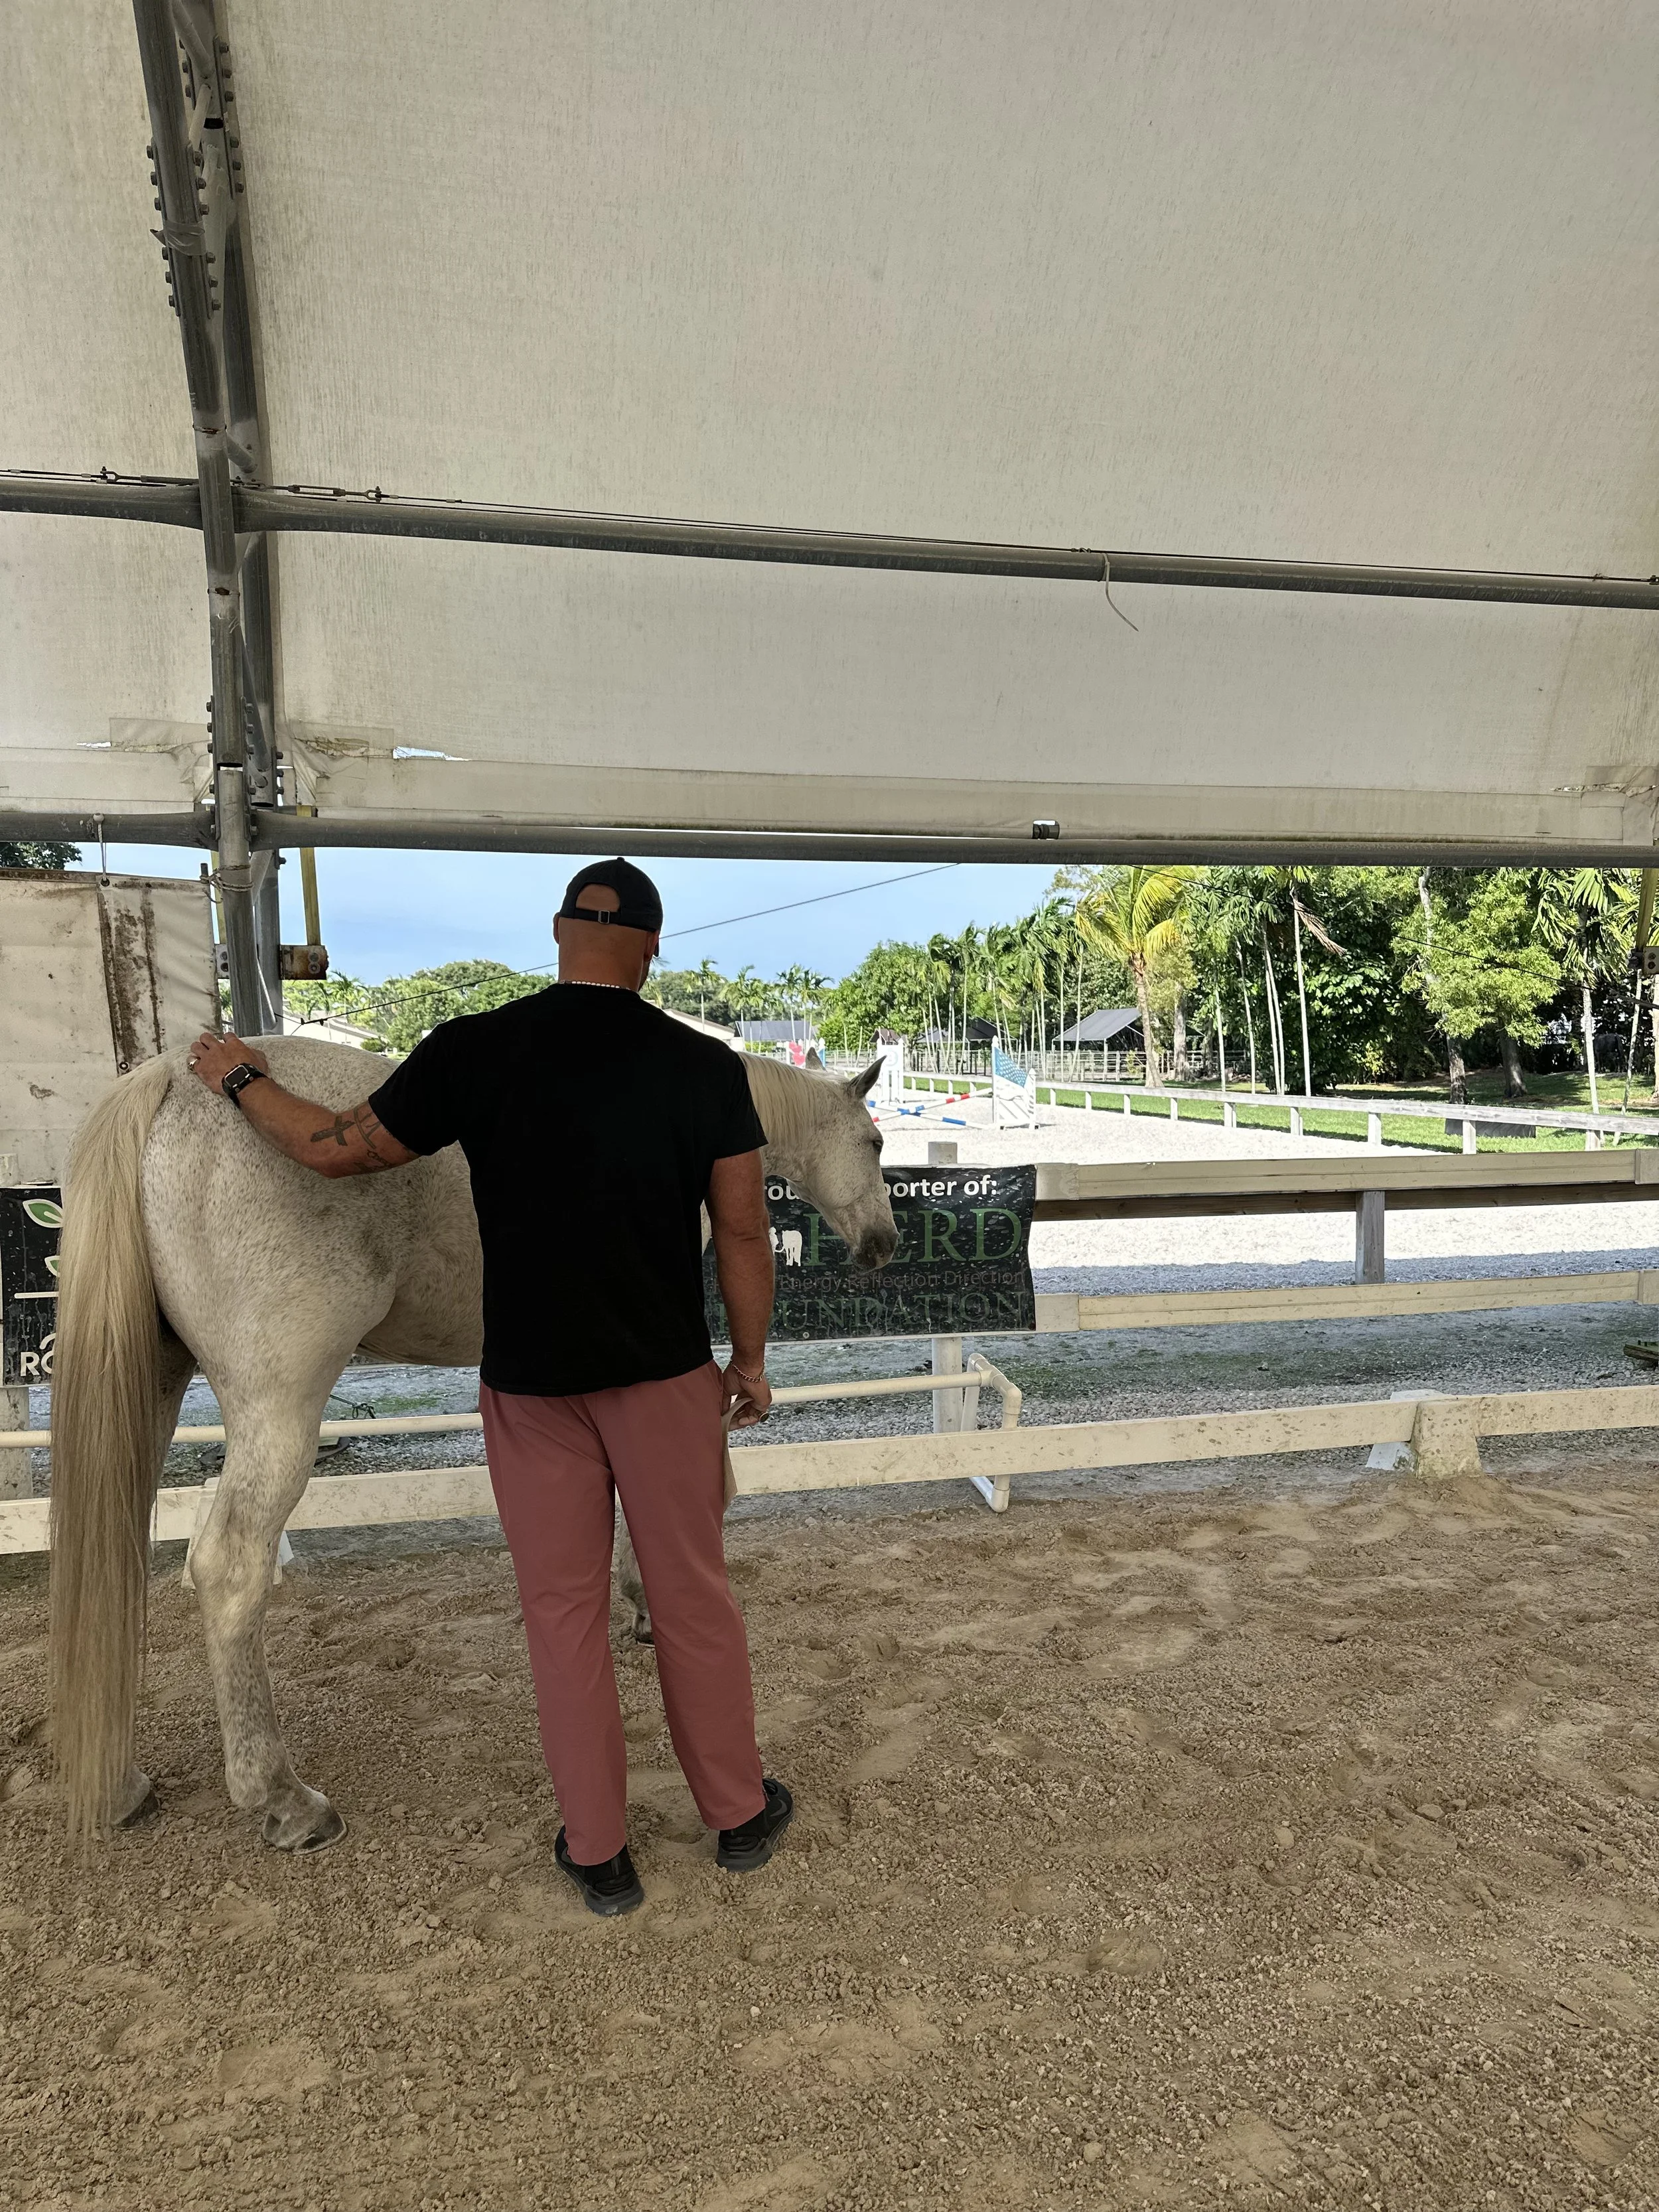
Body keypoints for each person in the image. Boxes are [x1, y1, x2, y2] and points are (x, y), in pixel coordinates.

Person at [186, 857, 790, 1915]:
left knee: (561, 1615)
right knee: (695, 1601)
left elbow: (331, 1153)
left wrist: (238, 1076)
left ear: (561, 932)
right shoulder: (706, 1069)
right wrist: (747, 1361)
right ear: (651, 948)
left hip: (531, 1390)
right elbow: (742, 1232)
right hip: (662, 1383)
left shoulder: (473, 1050)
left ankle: (599, 1852)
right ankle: (736, 1816)